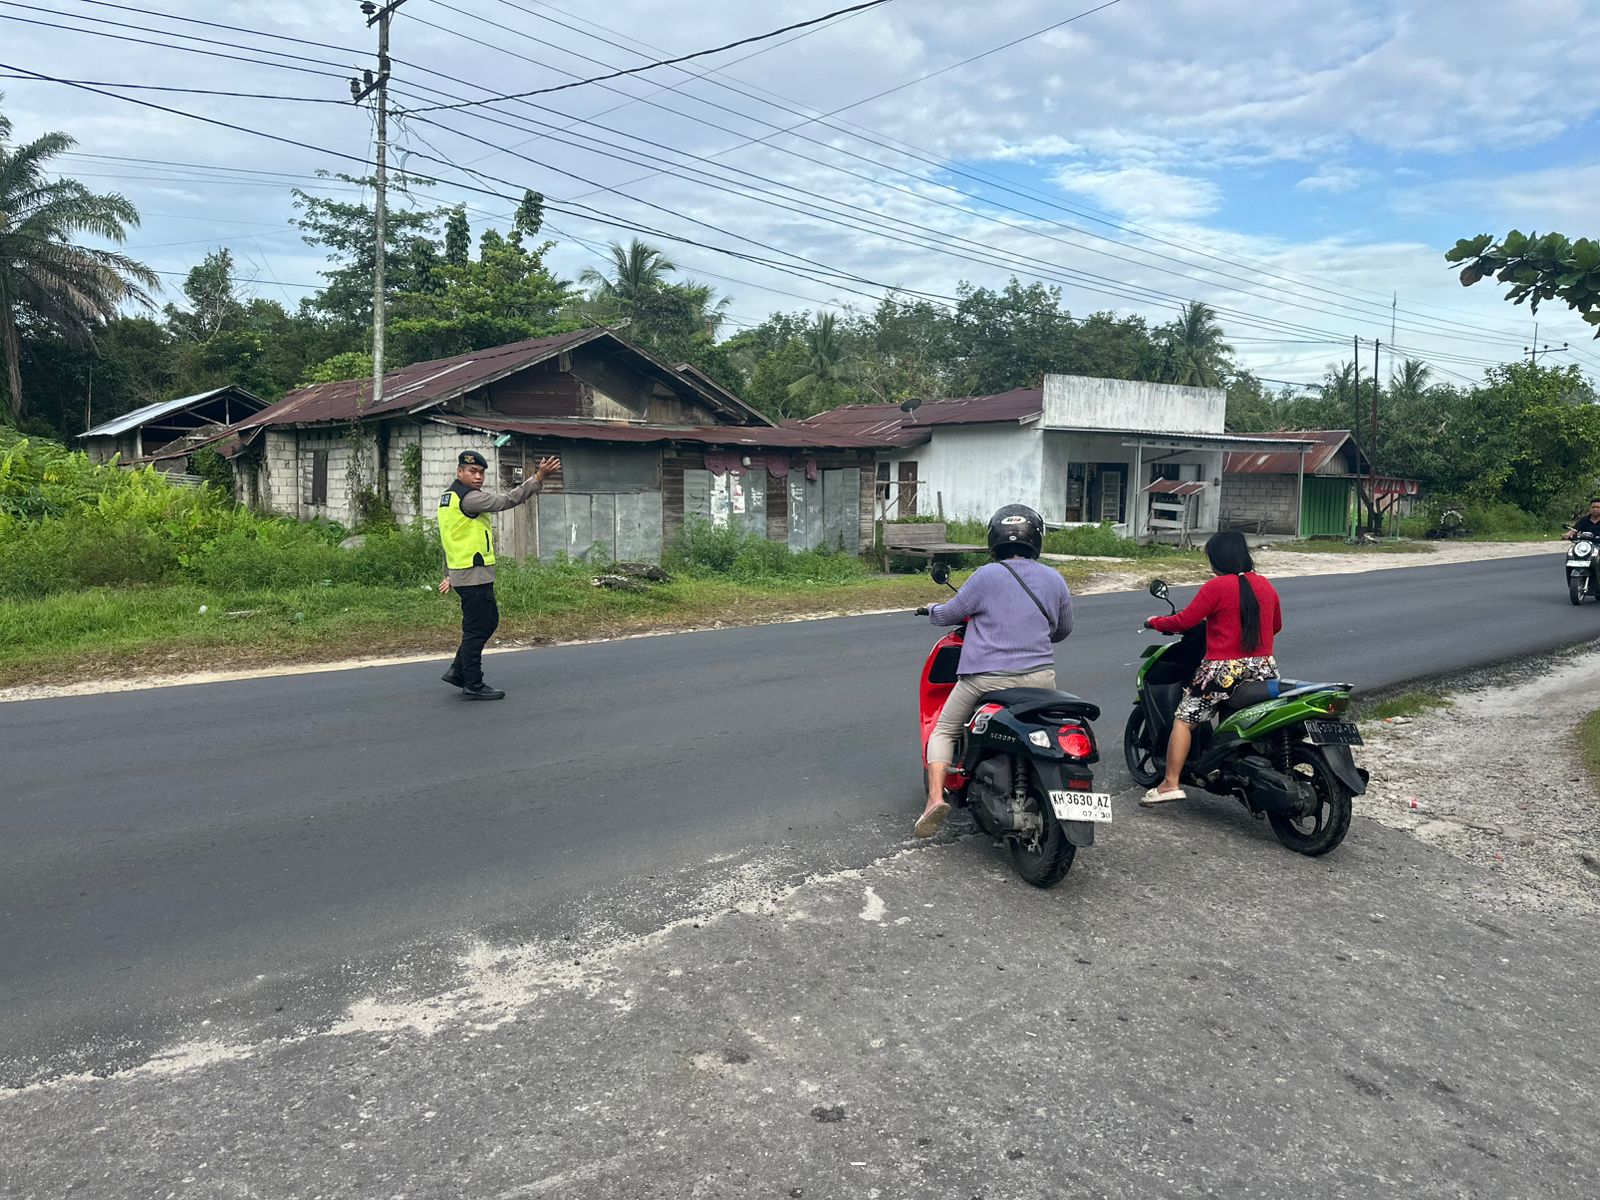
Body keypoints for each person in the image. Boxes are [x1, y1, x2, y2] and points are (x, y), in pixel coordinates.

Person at [915, 504, 1074, 838]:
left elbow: (949, 615)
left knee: (944, 729)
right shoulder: (1054, 578)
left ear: (994, 539)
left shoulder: (985, 576)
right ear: (1037, 539)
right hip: (1041, 678)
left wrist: (930, 609)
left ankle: (933, 799)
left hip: (986, 679)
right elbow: (1061, 629)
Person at [1141, 530, 1282, 805]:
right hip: (1264, 669)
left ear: (1217, 559)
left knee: (1184, 719)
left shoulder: (1216, 587)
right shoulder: (1266, 586)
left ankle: (1170, 783)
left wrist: (1154, 621)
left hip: (1222, 672)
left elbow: (1184, 621)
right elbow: (1276, 626)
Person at [438, 449, 560, 700]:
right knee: (478, 628)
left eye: (481, 472)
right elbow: (506, 500)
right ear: (459, 472)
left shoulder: (448, 498)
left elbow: (450, 538)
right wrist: (538, 478)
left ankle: (458, 671)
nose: (478, 477)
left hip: (465, 573)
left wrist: (450, 574)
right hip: (473, 575)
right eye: (472, 471)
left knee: (484, 622)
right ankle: (472, 682)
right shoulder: (469, 498)